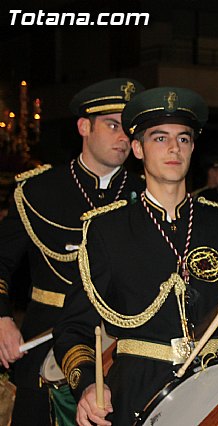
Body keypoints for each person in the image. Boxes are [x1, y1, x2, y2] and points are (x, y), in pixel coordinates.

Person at [53, 87, 218, 425]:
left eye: (183, 139)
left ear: (193, 147)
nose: (174, 148)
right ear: (137, 149)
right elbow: (73, 328)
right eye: (160, 138)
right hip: (137, 391)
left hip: (216, 391)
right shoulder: (107, 229)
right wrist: (89, 383)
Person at [0, 78, 144, 425]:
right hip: (41, 341)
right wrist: (2, 318)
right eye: (112, 125)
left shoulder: (147, 193)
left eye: (129, 129)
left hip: (123, 346)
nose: (123, 137)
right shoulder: (37, 189)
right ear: (83, 127)